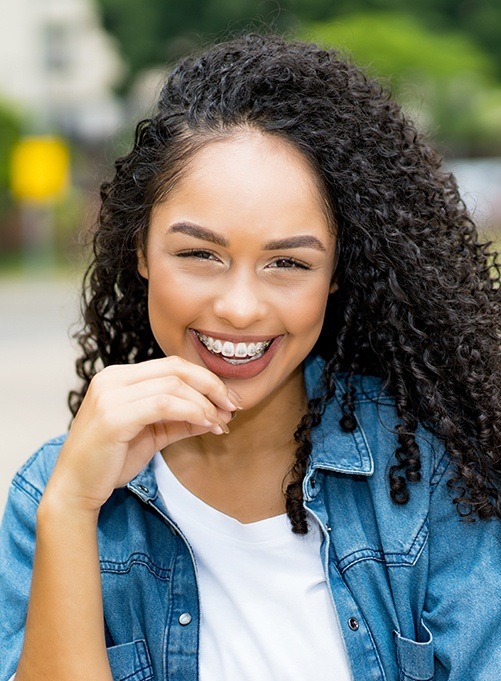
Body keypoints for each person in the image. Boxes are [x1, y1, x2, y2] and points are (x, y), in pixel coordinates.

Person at [0, 33, 500, 681]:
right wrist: (71, 508)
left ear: (335, 275)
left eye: (287, 262)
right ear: (141, 251)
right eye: (200, 254)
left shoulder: (431, 471)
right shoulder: (51, 491)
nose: (239, 308)